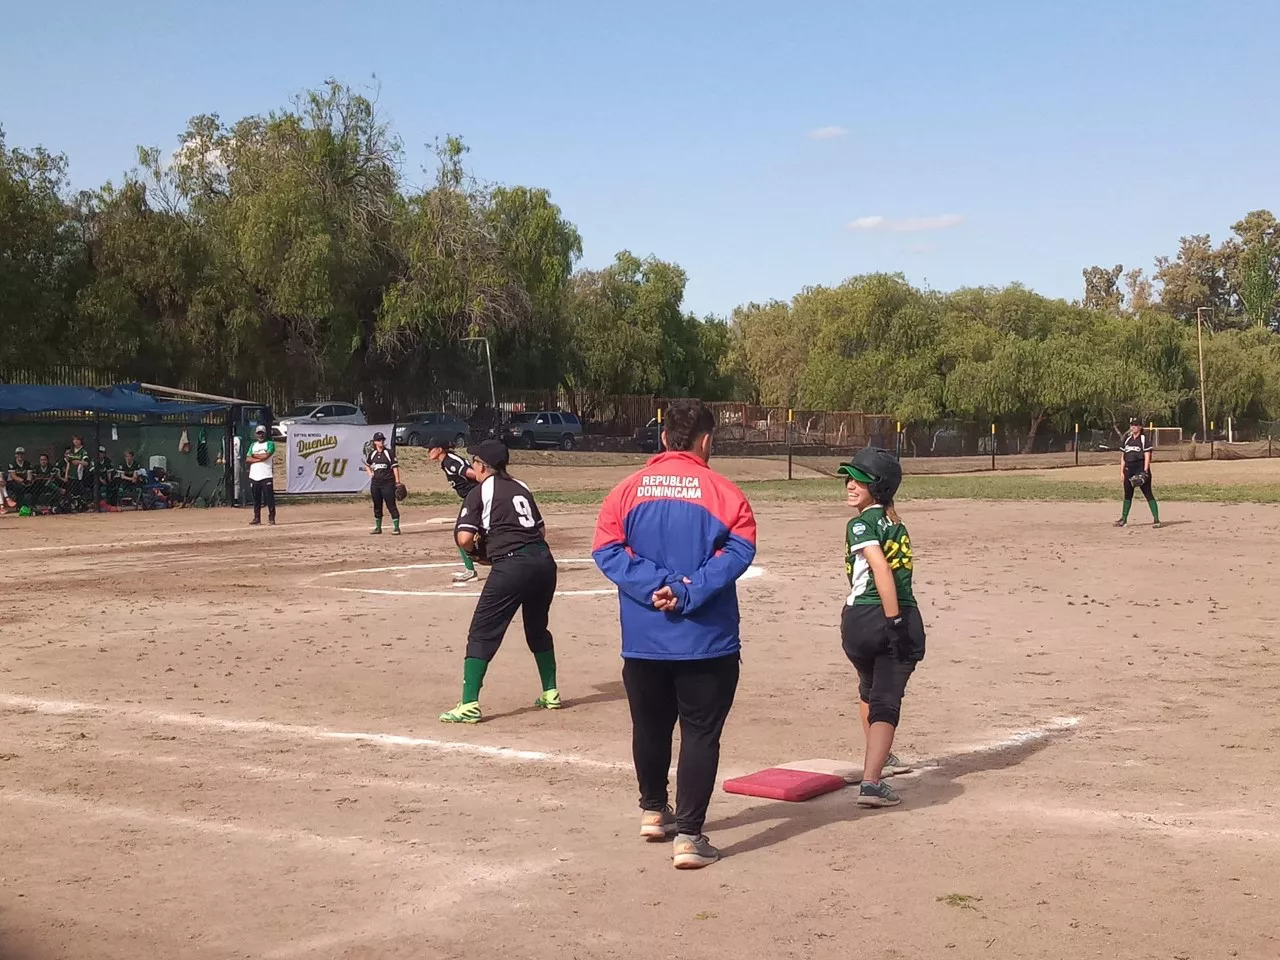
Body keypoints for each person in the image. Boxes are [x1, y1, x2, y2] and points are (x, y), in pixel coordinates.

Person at [592, 398, 757, 870]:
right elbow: (740, 550)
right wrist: (687, 590)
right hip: (706, 641)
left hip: (643, 640)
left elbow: (606, 548)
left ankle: (652, 810)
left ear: (664, 438)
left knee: (649, 726)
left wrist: (653, 585)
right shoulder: (726, 493)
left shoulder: (625, 491)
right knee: (700, 734)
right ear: (706, 441)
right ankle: (689, 836)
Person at [439, 439, 560, 724]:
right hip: (544, 563)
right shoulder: (521, 486)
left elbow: (464, 538)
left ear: (481, 466)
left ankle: (469, 704)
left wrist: (478, 553)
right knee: (537, 628)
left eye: (474, 461)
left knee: (482, 632)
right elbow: (541, 531)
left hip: (512, 565)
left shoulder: (480, 491)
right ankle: (551, 692)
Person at [837, 447, 926, 810]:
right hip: (886, 613)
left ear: (879, 487)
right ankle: (872, 782)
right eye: (849, 479)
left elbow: (878, 569)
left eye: (859, 480)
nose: (850, 485)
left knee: (869, 688)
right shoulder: (890, 524)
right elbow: (882, 569)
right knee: (886, 700)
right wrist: (895, 621)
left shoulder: (864, 522)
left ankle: (881, 757)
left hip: (858, 619)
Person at [426, 438, 480, 584]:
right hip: (473, 497)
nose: (428, 452)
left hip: (474, 498)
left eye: (431, 449)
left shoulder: (450, 462)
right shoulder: (448, 461)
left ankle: (471, 570)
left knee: (460, 533)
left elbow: (475, 474)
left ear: (440, 449)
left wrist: (491, 486)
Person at [1115, 418, 1160, 528]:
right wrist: (1121, 472)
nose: (1133, 427)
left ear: (1140, 427)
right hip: (1128, 470)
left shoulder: (1144, 439)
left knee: (1148, 494)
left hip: (1140, 469)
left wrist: (1145, 471)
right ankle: (1124, 519)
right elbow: (1123, 457)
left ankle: (1156, 520)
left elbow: (1147, 455)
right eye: (1132, 425)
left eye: (1136, 425)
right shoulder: (1127, 439)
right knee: (1127, 495)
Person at [364, 431, 402, 535]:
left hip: (387, 483)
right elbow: (367, 464)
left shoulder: (389, 453)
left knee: (391, 505)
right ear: (375, 442)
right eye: (379, 440)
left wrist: (397, 482)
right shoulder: (372, 454)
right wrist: (370, 473)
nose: (381, 441)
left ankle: (396, 528)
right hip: (375, 484)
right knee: (377, 505)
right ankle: (378, 528)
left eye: (382, 439)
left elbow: (395, 467)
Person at [245, 425, 277, 526]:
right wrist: (259, 458)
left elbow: (266, 455)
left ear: (265, 433)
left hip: (266, 474)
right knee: (256, 498)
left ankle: (271, 518)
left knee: (269, 498)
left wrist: (254, 456)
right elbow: (248, 459)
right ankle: (257, 518)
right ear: (256, 434)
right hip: (254, 475)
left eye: (262, 433)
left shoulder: (270, 444)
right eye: (258, 433)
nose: (260, 435)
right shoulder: (253, 445)